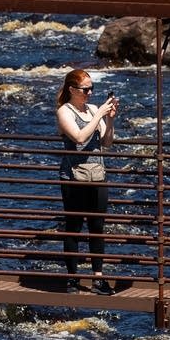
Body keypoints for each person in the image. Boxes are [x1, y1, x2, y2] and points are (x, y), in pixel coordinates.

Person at [55, 69, 121, 294]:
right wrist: (98, 116)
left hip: (97, 175)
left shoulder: (94, 110)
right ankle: (72, 278)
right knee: (73, 227)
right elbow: (80, 138)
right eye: (85, 89)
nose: (90, 93)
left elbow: (107, 142)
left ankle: (98, 278)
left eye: (92, 88)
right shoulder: (65, 111)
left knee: (97, 227)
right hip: (74, 176)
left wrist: (109, 120)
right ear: (72, 90)